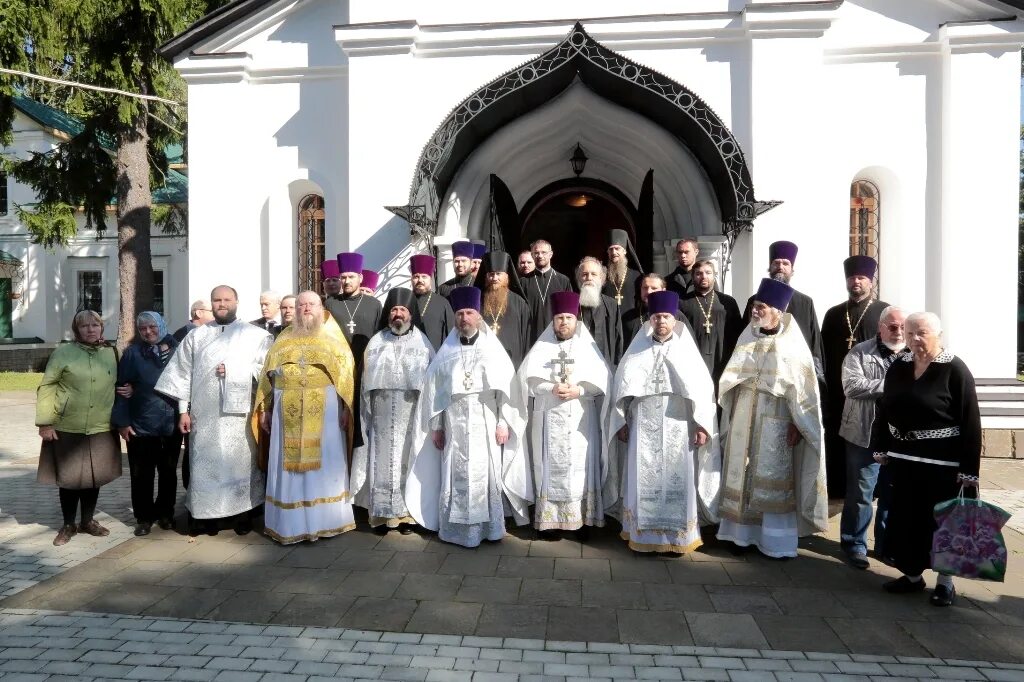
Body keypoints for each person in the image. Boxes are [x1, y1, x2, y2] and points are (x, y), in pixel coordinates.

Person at [404, 286, 532, 547]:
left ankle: (489, 529)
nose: (464, 318)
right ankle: (455, 531)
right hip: (454, 423)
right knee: (455, 471)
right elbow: (435, 393)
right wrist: (437, 427)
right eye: (460, 313)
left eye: (469, 313)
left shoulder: (493, 350)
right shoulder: (445, 353)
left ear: (479, 317)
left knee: (486, 473)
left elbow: (506, 392)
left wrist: (503, 422)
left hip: (485, 420)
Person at [872, 312, 981, 607]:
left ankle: (945, 583)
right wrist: (880, 445)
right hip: (904, 460)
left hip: (943, 464)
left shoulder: (955, 370)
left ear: (938, 335)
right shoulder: (899, 366)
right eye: (909, 334)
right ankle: (911, 575)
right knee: (907, 519)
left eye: (920, 334)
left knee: (943, 524)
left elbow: (971, 421)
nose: (913, 340)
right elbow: (885, 407)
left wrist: (969, 469)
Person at [717, 278, 828, 559]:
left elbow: (804, 393)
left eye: (761, 307)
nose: (755, 311)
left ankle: (774, 542)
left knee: (771, 480)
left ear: (777, 311)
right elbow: (731, 375)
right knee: (740, 475)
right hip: (744, 415)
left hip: (776, 421)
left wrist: (797, 424)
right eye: (754, 306)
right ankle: (739, 537)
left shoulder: (792, 345)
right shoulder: (747, 336)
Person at [605, 291, 720, 554]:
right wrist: (622, 421)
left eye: (666, 316)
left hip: (679, 425)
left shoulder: (686, 352)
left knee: (677, 478)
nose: (661, 321)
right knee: (643, 475)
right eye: (657, 316)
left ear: (675, 318)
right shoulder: (638, 351)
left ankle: (677, 539)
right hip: (643, 423)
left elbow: (702, 390)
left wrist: (701, 425)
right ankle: (643, 537)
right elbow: (623, 388)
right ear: (650, 319)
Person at [155, 285, 273, 536]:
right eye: (217, 300)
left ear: (237, 301)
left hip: (239, 417)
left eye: (227, 299)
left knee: (240, 466)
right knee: (203, 467)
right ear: (211, 304)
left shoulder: (257, 336)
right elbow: (181, 375)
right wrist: (182, 411)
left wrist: (233, 371)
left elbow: (266, 374)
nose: (222, 304)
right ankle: (203, 519)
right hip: (203, 416)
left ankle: (242, 516)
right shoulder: (195, 337)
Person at [252, 291, 357, 544]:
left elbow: (346, 374)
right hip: (285, 409)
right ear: (295, 310)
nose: (306, 308)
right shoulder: (283, 338)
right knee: (287, 467)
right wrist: (264, 408)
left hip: (326, 411)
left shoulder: (332, 336)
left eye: (311, 304)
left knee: (325, 464)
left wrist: (346, 408)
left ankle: (326, 520)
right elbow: (267, 376)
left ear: (321, 308)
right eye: (301, 305)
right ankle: (290, 523)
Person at [513, 291, 611, 538]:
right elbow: (526, 380)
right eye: (559, 318)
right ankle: (551, 522)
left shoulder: (586, 347)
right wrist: (550, 387)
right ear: (553, 321)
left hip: (580, 418)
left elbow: (603, 381)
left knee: (581, 468)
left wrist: (579, 389)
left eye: (568, 317)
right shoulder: (542, 347)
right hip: (548, 417)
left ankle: (581, 521)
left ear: (576, 320)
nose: (564, 322)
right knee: (549, 467)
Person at [352, 288, 435, 535]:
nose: (398, 314)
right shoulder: (376, 343)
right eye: (394, 310)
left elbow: (430, 382)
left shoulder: (423, 343)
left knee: (407, 462)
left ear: (411, 314)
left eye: (402, 310)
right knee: (380, 462)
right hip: (381, 416)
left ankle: (407, 515)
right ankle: (381, 515)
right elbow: (366, 382)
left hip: (410, 415)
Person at [36, 311, 122, 546]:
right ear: (76, 330)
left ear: (101, 328)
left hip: (101, 426)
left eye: (95, 325)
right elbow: (47, 386)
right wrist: (45, 422)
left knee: (94, 478)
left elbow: (122, 382)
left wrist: (130, 390)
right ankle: (68, 524)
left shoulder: (111, 353)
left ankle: (87, 521)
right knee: (70, 479)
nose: (91, 329)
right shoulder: (63, 352)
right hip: (68, 425)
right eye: (85, 326)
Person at [839, 306, 906, 569]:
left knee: (892, 492)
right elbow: (852, 386)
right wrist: (892, 386)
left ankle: (886, 544)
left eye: (902, 326)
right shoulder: (860, 352)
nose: (898, 331)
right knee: (861, 492)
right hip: (863, 433)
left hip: (900, 439)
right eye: (892, 326)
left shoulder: (914, 353)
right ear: (880, 327)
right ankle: (854, 543)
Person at [821, 255, 889, 498]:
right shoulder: (833, 313)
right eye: (852, 277)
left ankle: (875, 490)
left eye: (861, 277)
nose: (856, 282)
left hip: (873, 393)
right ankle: (838, 487)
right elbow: (823, 354)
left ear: (871, 281)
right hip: (839, 391)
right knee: (838, 437)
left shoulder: (884, 312)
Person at [112, 311, 183, 536]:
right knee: (141, 475)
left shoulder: (178, 350)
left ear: (161, 325)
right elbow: (122, 388)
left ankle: (165, 514)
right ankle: (143, 517)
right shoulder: (133, 353)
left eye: (152, 326)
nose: (148, 331)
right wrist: (122, 422)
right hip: (141, 425)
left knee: (168, 472)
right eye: (143, 329)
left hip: (171, 423)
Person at [324, 252, 382, 447]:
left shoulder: (374, 304)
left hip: (364, 367)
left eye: (351, 277)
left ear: (360, 278)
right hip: (337, 371)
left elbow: (380, 337)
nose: (346, 281)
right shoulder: (331, 304)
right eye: (343, 277)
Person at [742, 241, 823, 378]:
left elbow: (814, 342)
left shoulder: (805, 302)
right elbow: (745, 337)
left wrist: (817, 375)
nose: (780, 267)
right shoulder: (754, 301)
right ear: (770, 268)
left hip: (796, 373)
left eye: (785, 264)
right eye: (776, 263)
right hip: (762, 371)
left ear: (792, 270)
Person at [679, 259, 743, 392]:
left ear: (714, 275)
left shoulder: (728, 302)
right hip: (693, 359)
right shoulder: (682, 303)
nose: (703, 276)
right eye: (699, 273)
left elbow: (738, 333)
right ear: (693, 277)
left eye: (708, 273)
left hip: (723, 358)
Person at [474, 251, 532, 368]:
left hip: (512, 363)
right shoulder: (477, 301)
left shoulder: (520, 303)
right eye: (491, 274)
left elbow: (526, 338)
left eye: (498, 274)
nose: (494, 278)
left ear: (506, 276)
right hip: (482, 362)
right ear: (486, 276)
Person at [576, 257, 624, 366]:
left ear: (602, 279)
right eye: (584, 274)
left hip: (606, 366)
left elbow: (618, 339)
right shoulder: (573, 305)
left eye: (594, 274)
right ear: (579, 278)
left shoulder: (611, 305)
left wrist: (616, 367)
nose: (589, 278)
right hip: (580, 366)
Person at [524, 239, 573, 340]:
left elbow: (569, 314)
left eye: (544, 252)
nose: (540, 256)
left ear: (550, 254)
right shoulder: (523, 282)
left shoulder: (563, 280)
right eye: (536, 253)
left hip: (556, 336)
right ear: (532, 255)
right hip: (530, 335)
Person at [621, 273, 692, 341]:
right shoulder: (629, 317)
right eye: (645, 288)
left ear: (663, 291)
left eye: (654, 288)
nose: (648, 291)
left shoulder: (676, 316)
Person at [410, 254, 456, 351]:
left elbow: (451, 335)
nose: (420, 280)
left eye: (424, 276)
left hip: (435, 360)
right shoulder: (404, 301)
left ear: (430, 278)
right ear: (411, 279)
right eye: (416, 277)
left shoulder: (443, 303)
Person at [602, 228, 643, 316]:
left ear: (624, 251)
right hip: (608, 321)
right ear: (607, 252)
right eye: (610, 249)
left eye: (617, 248)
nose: (614, 252)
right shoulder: (602, 275)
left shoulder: (637, 276)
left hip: (630, 321)